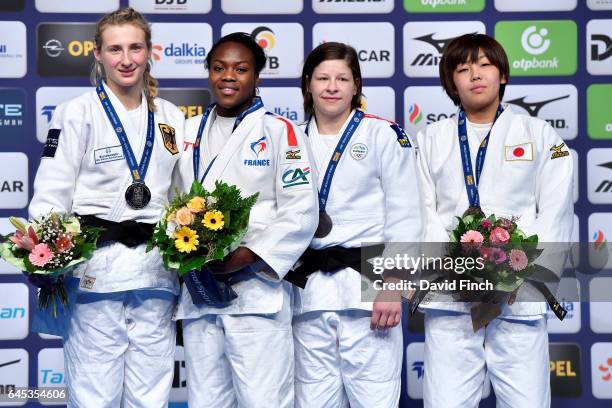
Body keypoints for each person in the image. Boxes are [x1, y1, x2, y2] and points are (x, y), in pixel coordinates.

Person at [28, 7, 185, 407]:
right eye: (115, 49)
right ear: (97, 54)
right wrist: (46, 258)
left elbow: (184, 198)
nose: (127, 59)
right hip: (96, 272)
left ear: (150, 51)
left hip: (154, 274)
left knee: (151, 396)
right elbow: (51, 192)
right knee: (94, 395)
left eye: (135, 47)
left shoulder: (170, 116)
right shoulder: (76, 112)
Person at [415, 33, 573, 408]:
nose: (475, 74)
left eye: (485, 64)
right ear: (450, 81)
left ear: (502, 74)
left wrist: (516, 270)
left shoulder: (539, 135)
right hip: (452, 295)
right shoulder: (431, 139)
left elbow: (554, 211)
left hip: (520, 294)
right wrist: (459, 267)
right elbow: (421, 211)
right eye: (463, 68)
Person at [173, 32, 318, 408]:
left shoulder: (278, 131)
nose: (228, 77)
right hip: (200, 291)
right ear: (208, 74)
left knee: (264, 400)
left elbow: (301, 209)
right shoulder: (189, 132)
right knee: (206, 400)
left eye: (240, 69)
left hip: (256, 292)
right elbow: (172, 204)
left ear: (257, 77)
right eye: (219, 68)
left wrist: (249, 254)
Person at [291, 42, 423, 408]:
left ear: (356, 86)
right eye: (323, 78)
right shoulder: (290, 141)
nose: (332, 86)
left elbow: (407, 214)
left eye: (342, 78)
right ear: (308, 85)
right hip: (309, 294)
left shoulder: (383, 134)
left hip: (369, 289)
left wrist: (395, 285)